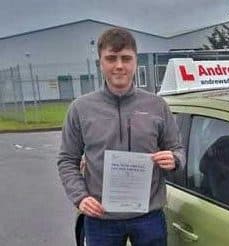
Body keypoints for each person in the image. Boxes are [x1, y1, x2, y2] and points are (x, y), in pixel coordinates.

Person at [57, 27, 185, 246]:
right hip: (101, 219)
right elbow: (67, 160)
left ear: (135, 62)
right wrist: (80, 197)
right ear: (100, 63)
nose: (119, 66)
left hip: (149, 218)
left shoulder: (157, 105)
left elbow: (178, 150)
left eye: (126, 58)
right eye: (111, 58)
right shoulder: (80, 109)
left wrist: (174, 160)